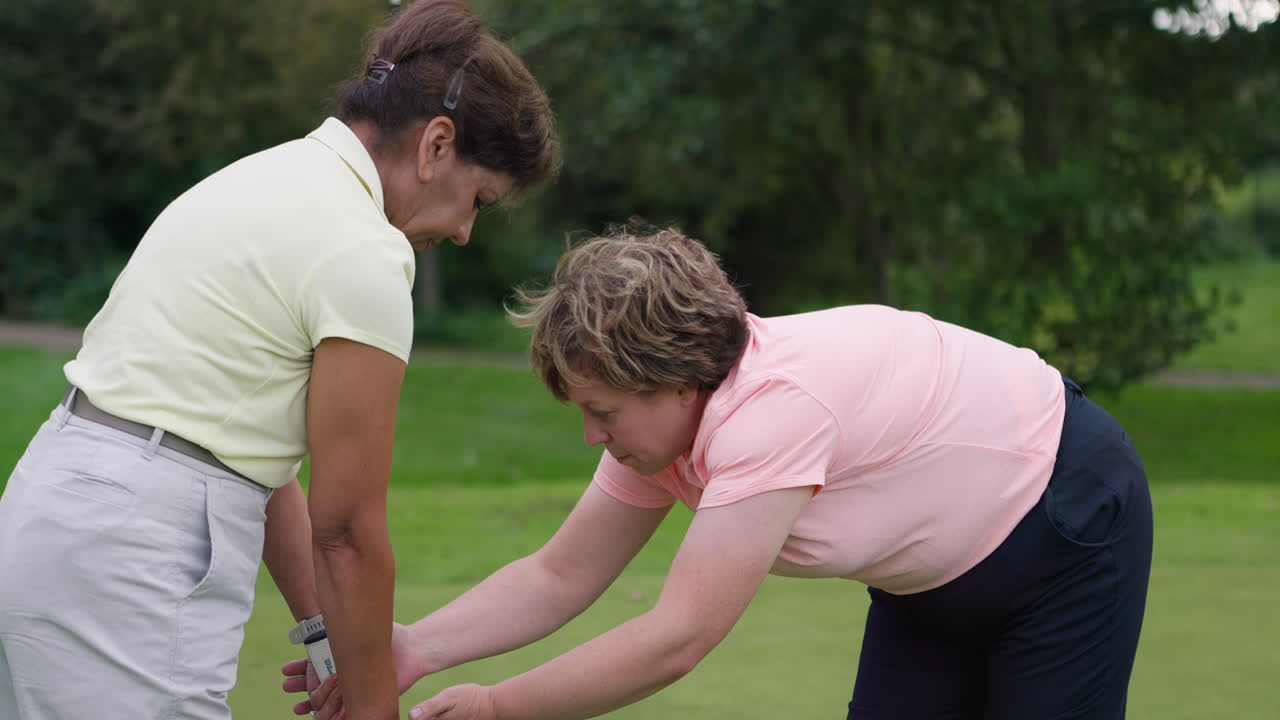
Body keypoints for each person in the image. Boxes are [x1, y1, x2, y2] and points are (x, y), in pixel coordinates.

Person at [288, 225, 1153, 720]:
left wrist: (498, 707)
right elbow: (559, 574)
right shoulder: (663, 431)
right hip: (931, 586)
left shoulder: (774, 409)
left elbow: (678, 638)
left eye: (602, 412)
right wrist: (409, 649)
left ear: (672, 374)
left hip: (1068, 531)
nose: (592, 437)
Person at [0, 1, 559, 718]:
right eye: (478, 200)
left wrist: (330, 637)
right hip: (134, 555)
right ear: (436, 144)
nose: (463, 232)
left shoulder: (267, 176)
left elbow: (261, 464)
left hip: (56, 512)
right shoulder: (365, 249)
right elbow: (349, 530)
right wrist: (373, 707)